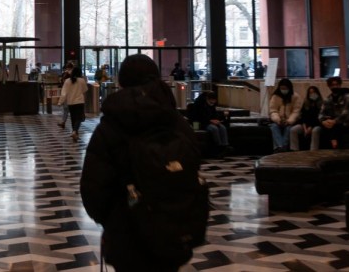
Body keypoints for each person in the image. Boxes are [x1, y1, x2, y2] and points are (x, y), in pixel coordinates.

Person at [80, 54, 208, 271]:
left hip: (127, 236)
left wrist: (111, 221)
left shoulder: (111, 126)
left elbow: (94, 188)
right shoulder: (177, 122)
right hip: (174, 232)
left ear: (121, 82)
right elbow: (193, 165)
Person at [315, 76, 349, 149]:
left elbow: (346, 114)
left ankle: (334, 141)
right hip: (332, 123)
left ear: (340, 85)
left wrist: (334, 121)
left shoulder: (347, 97)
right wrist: (323, 121)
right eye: (332, 85)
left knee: (334, 128)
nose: (335, 86)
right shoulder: (328, 99)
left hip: (346, 123)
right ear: (329, 86)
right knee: (322, 127)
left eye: (337, 84)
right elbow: (321, 113)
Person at [191, 91, 231, 155]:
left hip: (211, 121)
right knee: (214, 129)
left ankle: (225, 145)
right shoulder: (199, 104)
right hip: (203, 123)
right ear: (207, 99)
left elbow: (214, 114)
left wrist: (217, 120)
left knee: (222, 127)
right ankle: (218, 146)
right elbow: (199, 117)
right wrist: (210, 121)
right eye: (211, 102)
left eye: (213, 102)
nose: (212, 103)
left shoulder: (212, 105)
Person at [269, 78, 301, 152]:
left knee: (288, 129)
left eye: (285, 88)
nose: (283, 90)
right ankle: (282, 147)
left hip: (290, 121)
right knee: (274, 127)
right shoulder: (275, 97)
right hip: (278, 121)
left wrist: (289, 121)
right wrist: (277, 120)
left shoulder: (295, 97)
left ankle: (281, 147)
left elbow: (296, 111)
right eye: (282, 88)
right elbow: (273, 110)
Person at [59, 65, 88, 141]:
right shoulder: (81, 80)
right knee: (79, 118)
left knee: (73, 118)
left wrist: (60, 102)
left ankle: (74, 133)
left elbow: (64, 93)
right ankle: (75, 131)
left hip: (71, 102)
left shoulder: (67, 81)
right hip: (79, 102)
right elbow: (84, 90)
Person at [290, 85, 323, 151]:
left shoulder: (321, 103)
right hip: (305, 125)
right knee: (293, 130)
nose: (312, 94)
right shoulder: (306, 103)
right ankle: (294, 150)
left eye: (313, 92)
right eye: (310, 93)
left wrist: (311, 127)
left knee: (315, 130)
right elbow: (303, 116)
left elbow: (319, 118)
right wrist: (305, 128)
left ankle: (313, 150)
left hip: (317, 124)